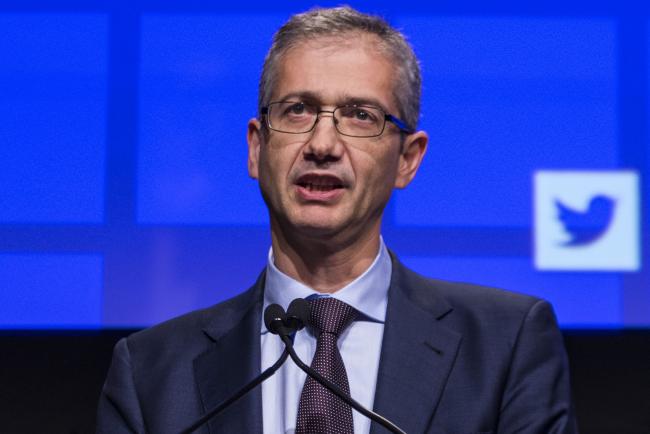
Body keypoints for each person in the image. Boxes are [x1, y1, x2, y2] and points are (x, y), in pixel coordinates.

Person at [97, 6, 577, 434]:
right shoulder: (151, 374)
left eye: (360, 115)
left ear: (408, 159)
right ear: (257, 148)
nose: (322, 144)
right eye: (298, 109)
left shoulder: (505, 346)